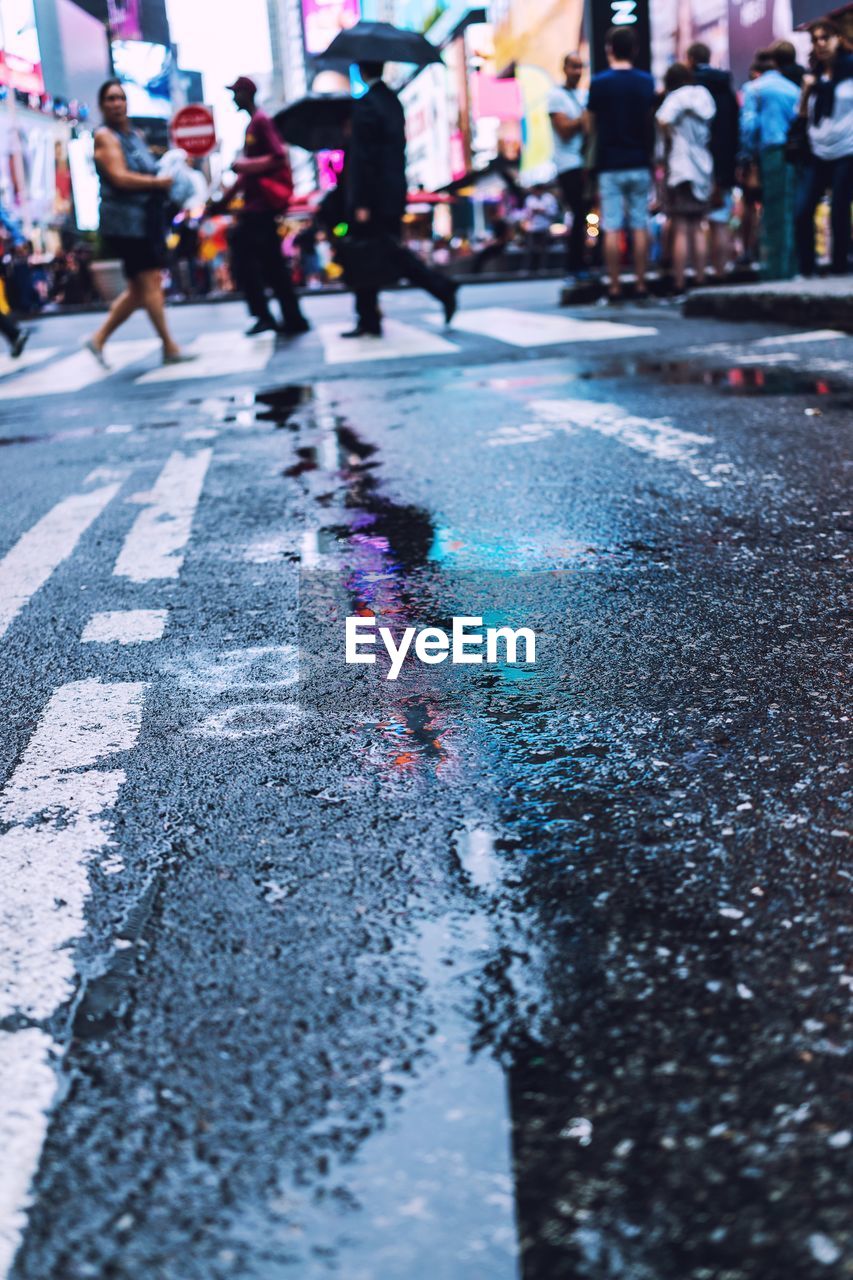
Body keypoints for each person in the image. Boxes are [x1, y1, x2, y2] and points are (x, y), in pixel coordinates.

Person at [343, 61, 457, 338]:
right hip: (391, 194)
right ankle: (369, 317)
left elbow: (366, 159)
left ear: (361, 70)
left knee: (375, 254)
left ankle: (439, 289)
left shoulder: (367, 105)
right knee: (381, 254)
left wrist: (361, 202)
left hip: (373, 199)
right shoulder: (391, 101)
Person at [84, 79, 192, 369]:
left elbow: (149, 168)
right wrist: (158, 182)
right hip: (126, 225)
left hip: (144, 221)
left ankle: (98, 339)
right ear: (102, 105)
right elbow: (119, 177)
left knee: (138, 289)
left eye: (120, 98)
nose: (116, 103)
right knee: (150, 281)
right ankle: (169, 346)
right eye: (110, 99)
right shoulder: (106, 137)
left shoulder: (133, 135)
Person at [217, 75, 309, 336]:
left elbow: (279, 157)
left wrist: (244, 166)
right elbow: (245, 176)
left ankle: (273, 316)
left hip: (261, 209)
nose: (233, 98)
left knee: (250, 262)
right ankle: (288, 317)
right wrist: (224, 200)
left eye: (236, 92)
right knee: (269, 264)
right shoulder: (252, 125)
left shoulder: (260, 121)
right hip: (255, 208)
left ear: (247, 94)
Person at [586, 26, 656, 303]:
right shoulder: (645, 81)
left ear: (609, 49)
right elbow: (650, 123)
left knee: (612, 227)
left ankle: (614, 287)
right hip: (639, 160)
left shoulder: (599, 83)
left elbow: (591, 127)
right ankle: (640, 284)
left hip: (610, 163)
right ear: (635, 49)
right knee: (640, 224)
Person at [794, 19, 853, 277]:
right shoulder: (813, 76)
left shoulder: (850, 70)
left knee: (839, 209)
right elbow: (802, 116)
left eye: (825, 37)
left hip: (847, 149)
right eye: (815, 39)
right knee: (802, 209)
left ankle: (840, 266)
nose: (820, 43)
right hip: (818, 150)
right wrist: (807, 91)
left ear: (838, 39)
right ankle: (807, 268)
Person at [656, 63, 716, 296]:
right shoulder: (703, 95)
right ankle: (701, 279)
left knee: (681, 227)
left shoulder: (675, 98)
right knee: (698, 226)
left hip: (681, 166)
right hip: (702, 164)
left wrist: (672, 135)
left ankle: (680, 281)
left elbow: (662, 119)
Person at [740, 48, 800, 279]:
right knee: (788, 210)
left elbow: (749, 127)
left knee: (771, 212)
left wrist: (746, 156)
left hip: (769, 151)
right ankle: (789, 266)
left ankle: (773, 269)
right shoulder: (792, 88)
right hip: (792, 152)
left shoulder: (754, 89)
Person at [686, 42, 740, 278]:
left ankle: (699, 275)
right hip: (725, 160)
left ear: (690, 59)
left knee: (696, 222)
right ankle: (722, 272)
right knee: (721, 221)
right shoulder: (725, 86)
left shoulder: (692, 88)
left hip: (697, 161)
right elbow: (736, 126)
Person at [548, 53, 589, 278]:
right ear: (564, 68)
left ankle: (582, 262)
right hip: (567, 165)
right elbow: (563, 130)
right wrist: (583, 120)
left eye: (580, 67)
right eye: (573, 66)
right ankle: (575, 264)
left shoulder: (583, 95)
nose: (577, 71)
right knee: (578, 213)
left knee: (586, 215)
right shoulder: (556, 96)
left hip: (584, 163)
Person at [522, 184, 559, 272]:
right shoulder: (529, 199)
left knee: (544, 250)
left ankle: (543, 269)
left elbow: (554, 213)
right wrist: (532, 212)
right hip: (533, 228)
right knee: (531, 249)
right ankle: (530, 269)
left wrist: (543, 211)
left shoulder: (549, 198)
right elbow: (526, 214)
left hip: (544, 227)